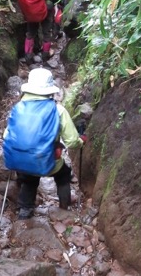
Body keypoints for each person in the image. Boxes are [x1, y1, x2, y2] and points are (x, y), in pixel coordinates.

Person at [9, 68, 85, 219]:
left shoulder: (17, 109)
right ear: (50, 90)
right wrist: (81, 141)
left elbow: (8, 135)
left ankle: (25, 211)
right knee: (63, 174)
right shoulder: (58, 110)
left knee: (29, 180)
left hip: (22, 161)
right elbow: (71, 141)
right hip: (49, 162)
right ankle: (64, 207)